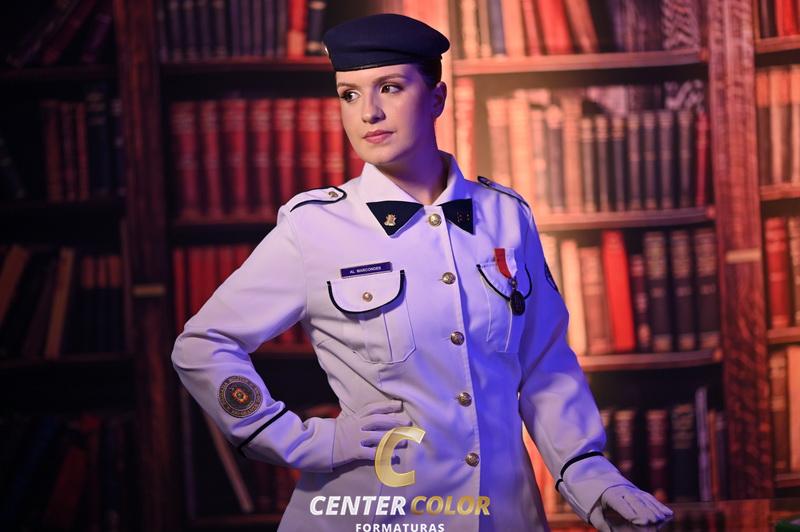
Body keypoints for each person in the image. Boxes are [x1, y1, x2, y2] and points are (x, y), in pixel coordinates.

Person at [170, 12, 674, 532]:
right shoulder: (314, 227)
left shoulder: (506, 215)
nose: (368, 112)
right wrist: (302, 440)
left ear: (437, 98)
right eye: (349, 94)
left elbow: (545, 364)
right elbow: (203, 344)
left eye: (389, 87)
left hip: (503, 516)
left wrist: (591, 477)